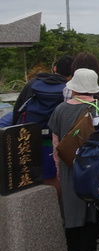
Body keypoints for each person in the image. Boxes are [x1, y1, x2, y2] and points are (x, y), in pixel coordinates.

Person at [48, 68, 99, 251]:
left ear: (74, 88)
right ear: (94, 89)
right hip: (93, 168)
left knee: (70, 208)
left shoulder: (60, 109)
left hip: (69, 167)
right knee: (90, 208)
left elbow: (56, 143)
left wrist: (60, 168)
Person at [12, 54, 73, 195]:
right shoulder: (68, 90)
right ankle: (55, 210)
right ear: (73, 73)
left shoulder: (33, 83)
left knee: (29, 175)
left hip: (28, 137)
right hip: (53, 141)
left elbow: (18, 110)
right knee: (53, 177)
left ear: (55, 68)